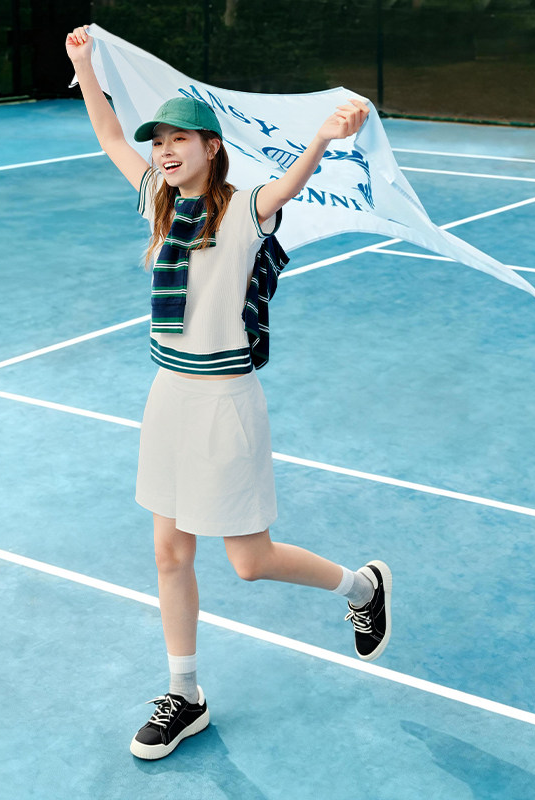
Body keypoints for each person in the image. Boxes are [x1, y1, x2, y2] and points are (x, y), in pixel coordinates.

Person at [66, 26, 392, 761]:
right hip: (168, 397)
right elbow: (110, 135)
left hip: (224, 403)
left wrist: (323, 138)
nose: (164, 151)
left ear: (211, 148)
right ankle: (185, 695)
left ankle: (361, 588)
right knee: (169, 554)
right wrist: (85, 67)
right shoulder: (158, 201)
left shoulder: (245, 211)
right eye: (160, 143)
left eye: (179, 140)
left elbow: (289, 186)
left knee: (248, 560)